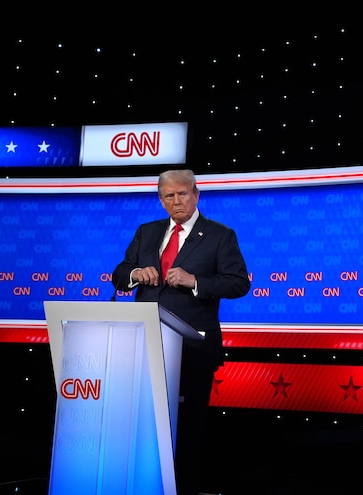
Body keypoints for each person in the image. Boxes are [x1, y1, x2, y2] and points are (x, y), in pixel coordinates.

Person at [112, 168, 250, 495]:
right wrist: (134, 273)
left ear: (196, 195)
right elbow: (118, 275)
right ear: (161, 201)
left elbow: (239, 282)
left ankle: (183, 488)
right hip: (145, 345)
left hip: (192, 348)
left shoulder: (219, 234)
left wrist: (195, 282)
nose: (177, 201)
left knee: (186, 430)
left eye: (183, 194)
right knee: (143, 426)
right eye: (169, 196)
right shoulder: (147, 232)